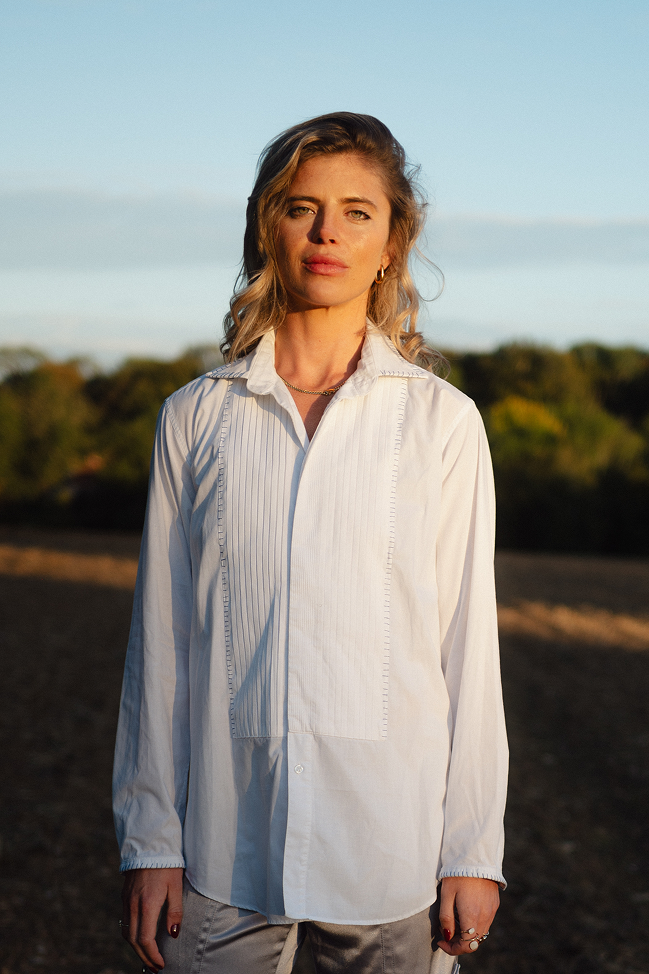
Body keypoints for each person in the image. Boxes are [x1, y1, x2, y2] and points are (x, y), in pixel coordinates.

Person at [113, 112, 508, 974]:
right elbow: (162, 646)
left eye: (357, 211)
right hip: (224, 855)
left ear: (392, 242)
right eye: (302, 207)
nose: (327, 232)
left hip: (389, 862)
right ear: (267, 227)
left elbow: (466, 649)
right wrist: (151, 842)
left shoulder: (442, 423)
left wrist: (471, 852)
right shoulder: (196, 416)